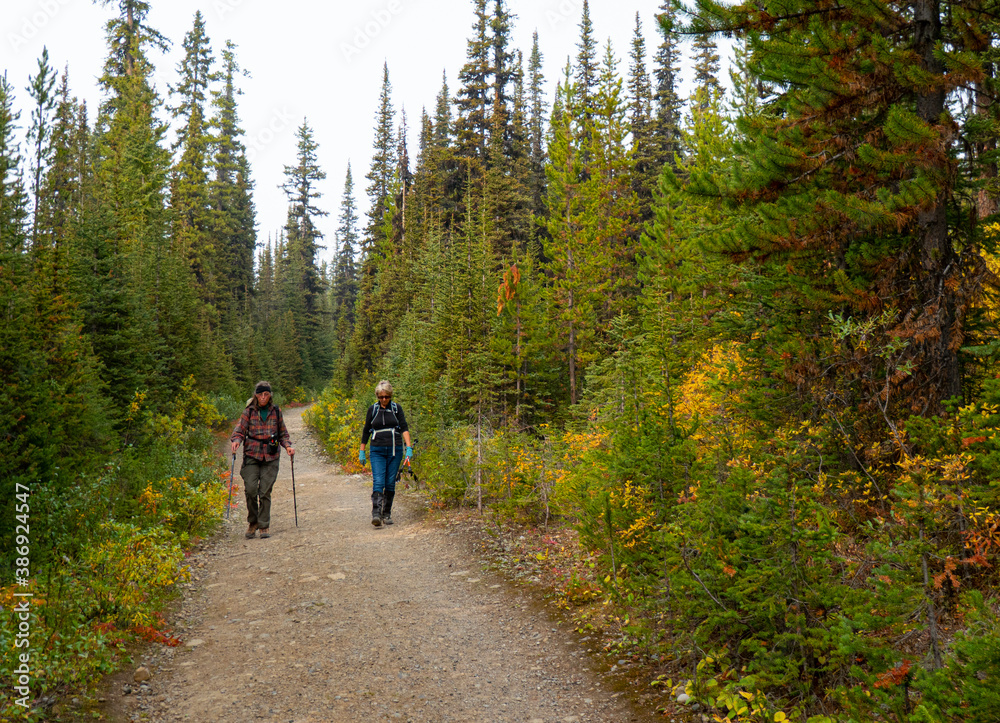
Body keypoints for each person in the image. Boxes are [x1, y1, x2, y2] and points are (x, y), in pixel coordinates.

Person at [230, 381, 294, 539]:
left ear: (270, 395)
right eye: (260, 394)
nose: (263, 397)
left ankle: (264, 525)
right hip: (252, 455)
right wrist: (236, 440)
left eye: (266, 394)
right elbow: (240, 429)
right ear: (256, 395)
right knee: (251, 489)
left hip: (271, 456)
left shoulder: (276, 412)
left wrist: (288, 446)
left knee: (265, 491)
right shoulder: (249, 412)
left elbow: (283, 434)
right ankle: (253, 522)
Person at [359, 380, 412, 527]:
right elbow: (366, 430)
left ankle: (386, 513)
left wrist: (409, 448)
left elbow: (404, 428)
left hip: (395, 450)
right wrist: (362, 450)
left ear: (390, 396)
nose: (384, 400)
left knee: (390, 482)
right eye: (381, 397)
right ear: (377, 396)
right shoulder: (373, 409)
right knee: (378, 480)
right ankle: (376, 514)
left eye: (386, 397)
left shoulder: (396, 409)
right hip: (377, 450)